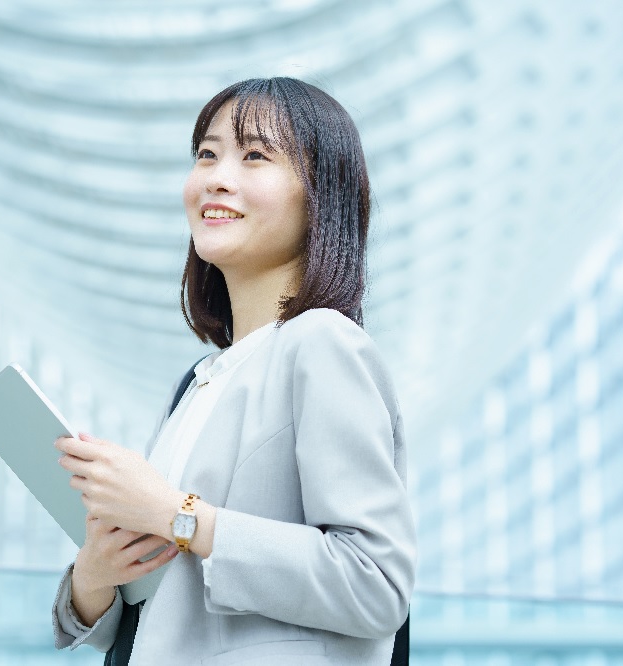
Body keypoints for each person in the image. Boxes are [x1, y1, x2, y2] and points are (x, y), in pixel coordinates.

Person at [52, 77, 416, 665]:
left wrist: (177, 515)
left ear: (321, 196)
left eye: (255, 155)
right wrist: (96, 571)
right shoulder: (198, 384)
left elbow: (374, 584)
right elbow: (155, 612)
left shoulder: (321, 344)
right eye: (207, 154)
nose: (218, 177)